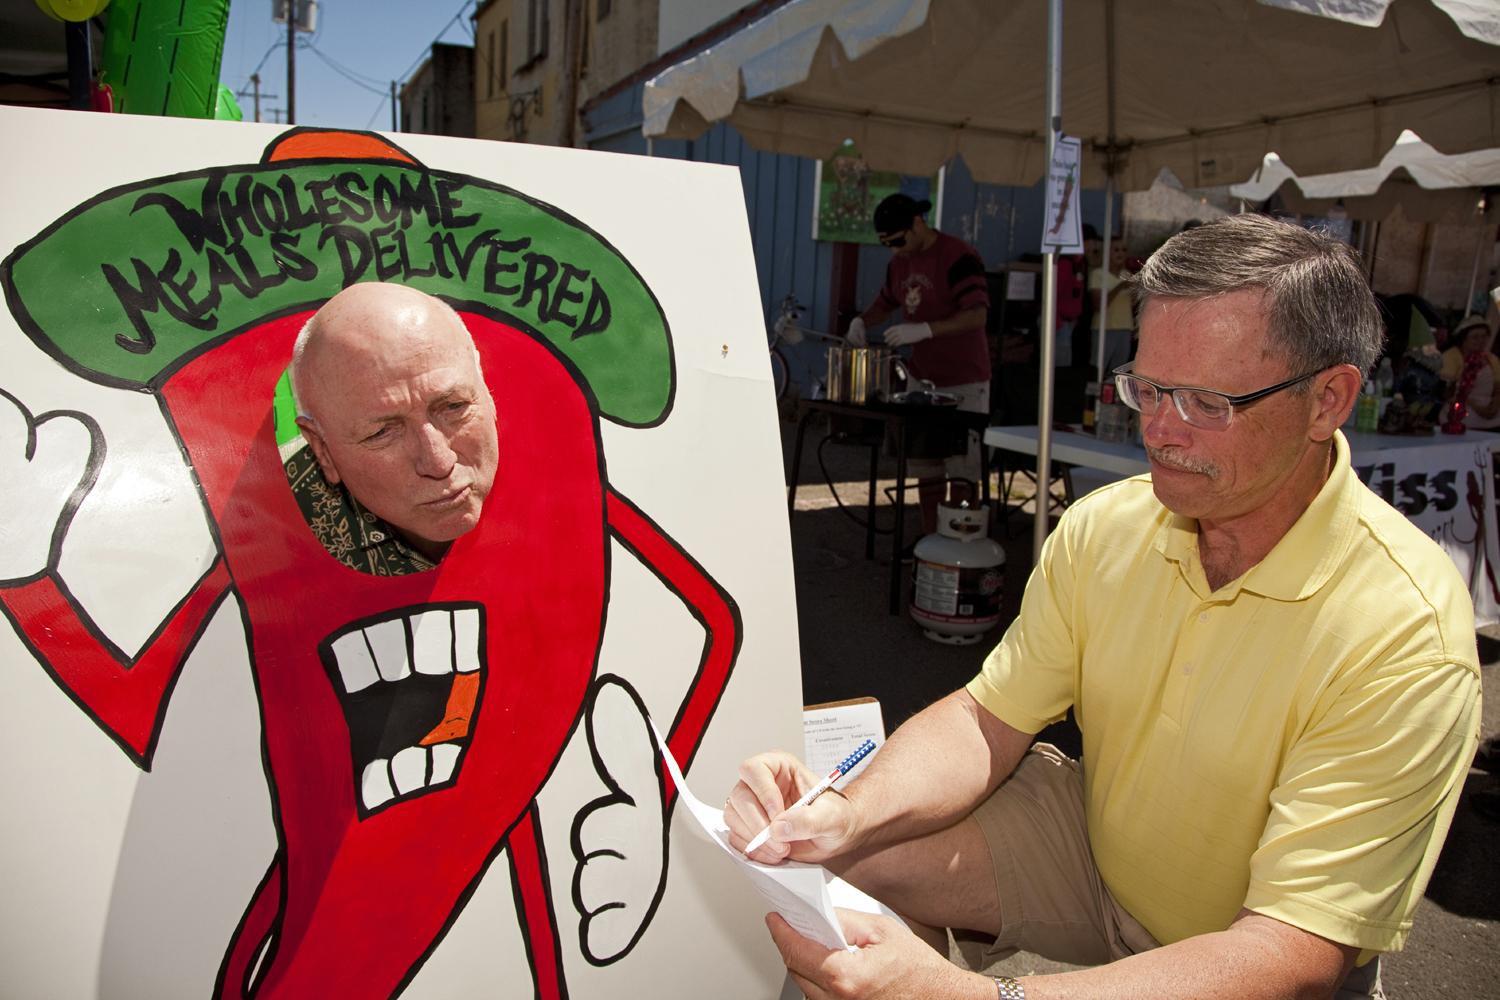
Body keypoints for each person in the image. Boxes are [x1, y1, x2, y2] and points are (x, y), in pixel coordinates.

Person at [726, 215, 1481, 1000]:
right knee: (826, 863)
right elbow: (990, 718)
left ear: (1328, 400)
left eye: (1204, 403)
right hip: (1093, 848)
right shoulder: (1108, 526)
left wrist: (980, 997)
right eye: (1146, 387)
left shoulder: (1405, 633)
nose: (1157, 430)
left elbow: (1292, 953)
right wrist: (846, 810)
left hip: (1255, 950)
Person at [289, 282, 500, 573]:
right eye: (381, 433)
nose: (439, 463)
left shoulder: (575, 454)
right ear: (322, 450)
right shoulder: (269, 536)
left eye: (454, 406)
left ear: (486, 391)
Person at [846, 193, 990, 535]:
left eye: (898, 241)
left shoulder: (958, 255)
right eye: (887, 245)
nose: (895, 250)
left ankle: (959, 544)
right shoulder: (899, 264)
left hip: (964, 380)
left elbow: (978, 314)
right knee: (925, 467)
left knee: (962, 470)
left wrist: (926, 330)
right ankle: (931, 542)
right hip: (922, 382)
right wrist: (861, 321)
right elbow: (886, 302)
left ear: (917, 223)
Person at [1439, 313, 1500, 431]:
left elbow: (1498, 388)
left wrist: (1495, 406)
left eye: (1484, 337)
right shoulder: (1451, 356)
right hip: (1463, 404)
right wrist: (1478, 408)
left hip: (1487, 406)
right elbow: (1447, 393)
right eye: (1475, 337)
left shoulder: (1491, 359)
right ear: (1464, 339)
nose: (1480, 341)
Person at [1088, 240, 1134, 376]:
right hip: (1105, 328)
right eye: (1116, 250)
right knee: (1098, 370)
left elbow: (1132, 304)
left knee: (1119, 373)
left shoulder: (1127, 274)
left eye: (1124, 250)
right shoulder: (1098, 274)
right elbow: (1098, 305)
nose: (1121, 253)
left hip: (1125, 328)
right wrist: (1120, 287)